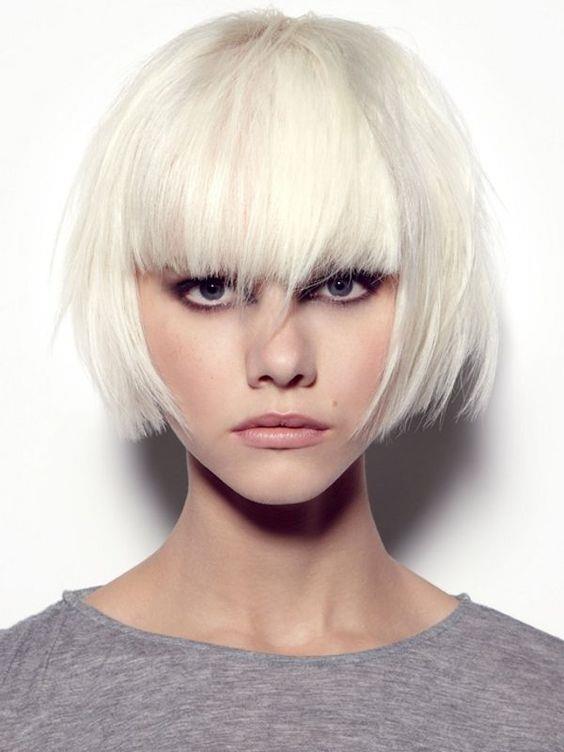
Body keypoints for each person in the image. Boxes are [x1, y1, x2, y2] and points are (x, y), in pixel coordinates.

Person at [1, 7, 562, 750]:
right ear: (130, 302)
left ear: (421, 296)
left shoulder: (544, 707)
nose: (281, 359)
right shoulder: (18, 701)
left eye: (341, 284)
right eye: (210, 287)